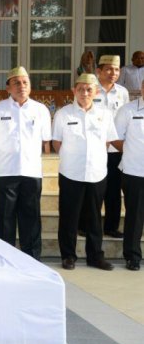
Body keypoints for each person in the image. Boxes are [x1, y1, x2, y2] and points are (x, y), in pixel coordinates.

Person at [0, 66, 51, 260]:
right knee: (4, 219)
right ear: (8, 88)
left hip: (31, 172)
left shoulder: (41, 110)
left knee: (31, 218)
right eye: (16, 83)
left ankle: (31, 258)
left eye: (25, 82)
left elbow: (46, 140)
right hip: (5, 172)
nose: (21, 86)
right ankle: (3, 257)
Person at [53, 73, 117, 271]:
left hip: (97, 173)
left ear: (96, 92)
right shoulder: (64, 114)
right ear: (74, 91)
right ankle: (68, 256)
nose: (85, 92)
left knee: (95, 217)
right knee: (69, 217)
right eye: (80, 89)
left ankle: (95, 256)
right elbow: (57, 143)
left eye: (89, 89)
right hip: (71, 172)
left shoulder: (105, 114)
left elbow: (107, 142)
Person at [93, 55, 129, 238]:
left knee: (114, 189)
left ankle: (111, 226)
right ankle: (87, 225)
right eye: (108, 69)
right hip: (94, 148)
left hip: (115, 150)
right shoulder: (90, 89)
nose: (112, 73)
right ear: (98, 71)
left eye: (116, 70)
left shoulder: (122, 92)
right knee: (92, 190)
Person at [113, 77, 144, 271]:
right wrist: (133, 152)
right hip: (134, 171)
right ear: (142, 87)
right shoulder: (128, 110)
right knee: (134, 216)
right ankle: (132, 256)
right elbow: (116, 139)